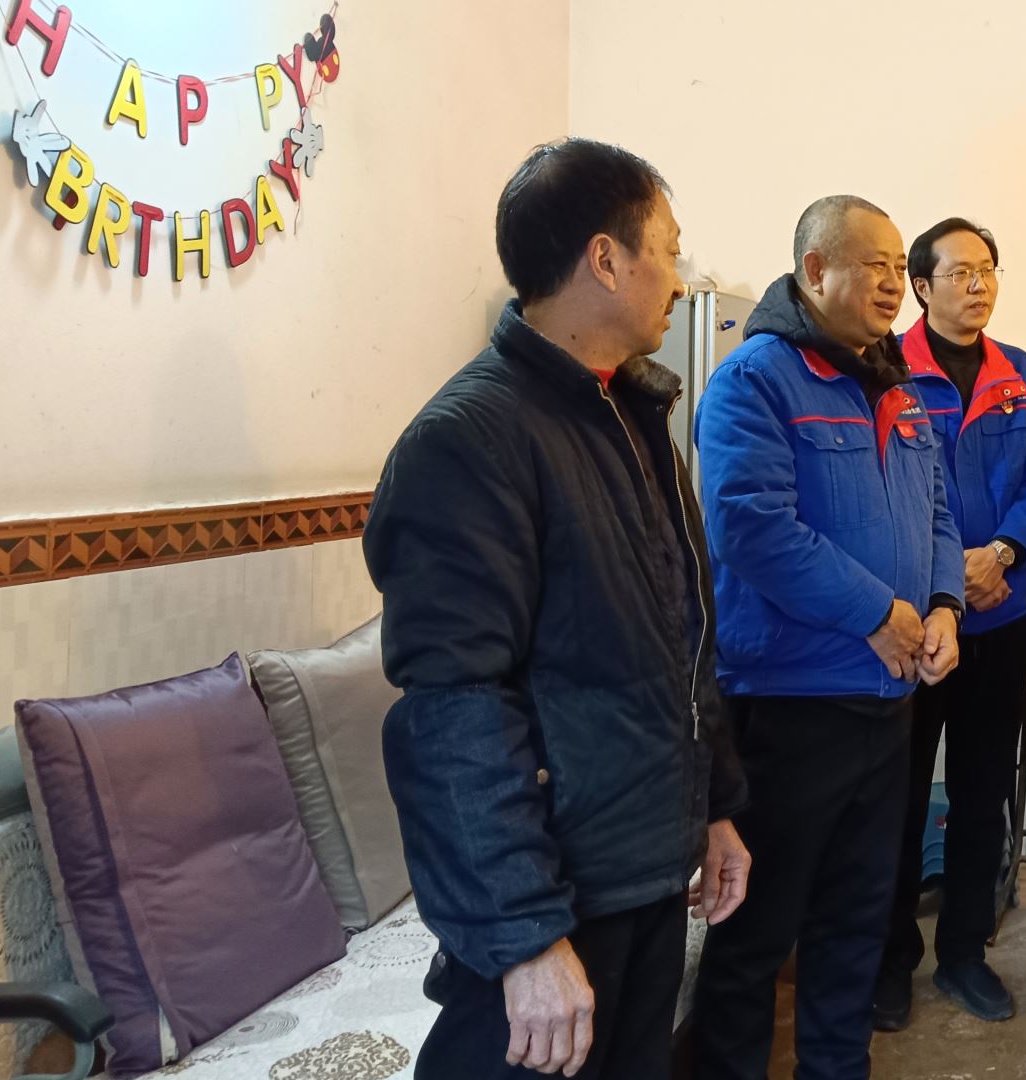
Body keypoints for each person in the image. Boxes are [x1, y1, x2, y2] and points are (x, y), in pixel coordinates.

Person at [364, 139, 751, 1080]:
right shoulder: (469, 440)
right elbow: (452, 706)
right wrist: (523, 935)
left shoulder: (632, 415)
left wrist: (714, 808)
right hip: (559, 895)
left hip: (645, 872)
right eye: (670, 249)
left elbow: (681, 641)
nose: (682, 278)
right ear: (606, 259)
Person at [690, 195, 965, 1080]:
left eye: (898, 267)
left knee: (855, 923)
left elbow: (937, 510)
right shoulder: (756, 380)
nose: (894, 284)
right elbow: (751, 526)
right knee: (757, 931)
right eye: (874, 264)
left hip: (887, 707)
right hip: (789, 707)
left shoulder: (898, 387)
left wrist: (944, 604)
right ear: (815, 271)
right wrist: (878, 613)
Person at [874, 218, 1026, 1030]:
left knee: (984, 793)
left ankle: (963, 955)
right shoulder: (883, 368)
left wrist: (1005, 553)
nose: (979, 285)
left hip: (1000, 614)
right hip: (916, 623)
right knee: (898, 796)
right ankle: (890, 962)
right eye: (959, 272)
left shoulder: (1022, 373)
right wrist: (947, 577)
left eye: (988, 270)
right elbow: (885, 487)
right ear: (921, 287)